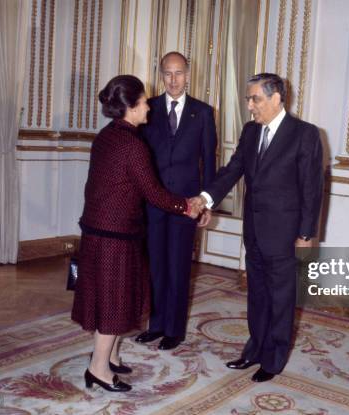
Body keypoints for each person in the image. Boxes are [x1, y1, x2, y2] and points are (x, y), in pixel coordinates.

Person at [71, 75, 201, 393]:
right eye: (143, 102)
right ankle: (98, 369)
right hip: (115, 235)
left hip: (98, 229)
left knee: (110, 297)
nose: (148, 108)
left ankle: (111, 355)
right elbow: (154, 193)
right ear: (130, 106)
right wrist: (186, 207)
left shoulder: (105, 136)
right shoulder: (133, 144)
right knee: (114, 302)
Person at [195, 73, 323, 382]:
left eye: (256, 99)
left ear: (277, 98)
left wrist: (306, 234)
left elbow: (312, 188)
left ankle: (274, 359)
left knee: (281, 298)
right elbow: (233, 170)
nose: (250, 106)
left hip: (285, 233)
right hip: (254, 231)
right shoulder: (251, 131)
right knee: (258, 296)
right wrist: (205, 197)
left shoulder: (304, 134)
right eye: (248, 99)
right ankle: (254, 349)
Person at [135, 52, 217, 351]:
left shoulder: (204, 112)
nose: (173, 79)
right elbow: (139, 158)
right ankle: (156, 325)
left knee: (179, 266)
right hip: (154, 202)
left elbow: (209, 161)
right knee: (155, 265)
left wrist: (207, 202)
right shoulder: (149, 108)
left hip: (188, 204)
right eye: (167, 73)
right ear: (160, 75)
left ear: (188, 74)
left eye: (178, 73)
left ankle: (174, 329)